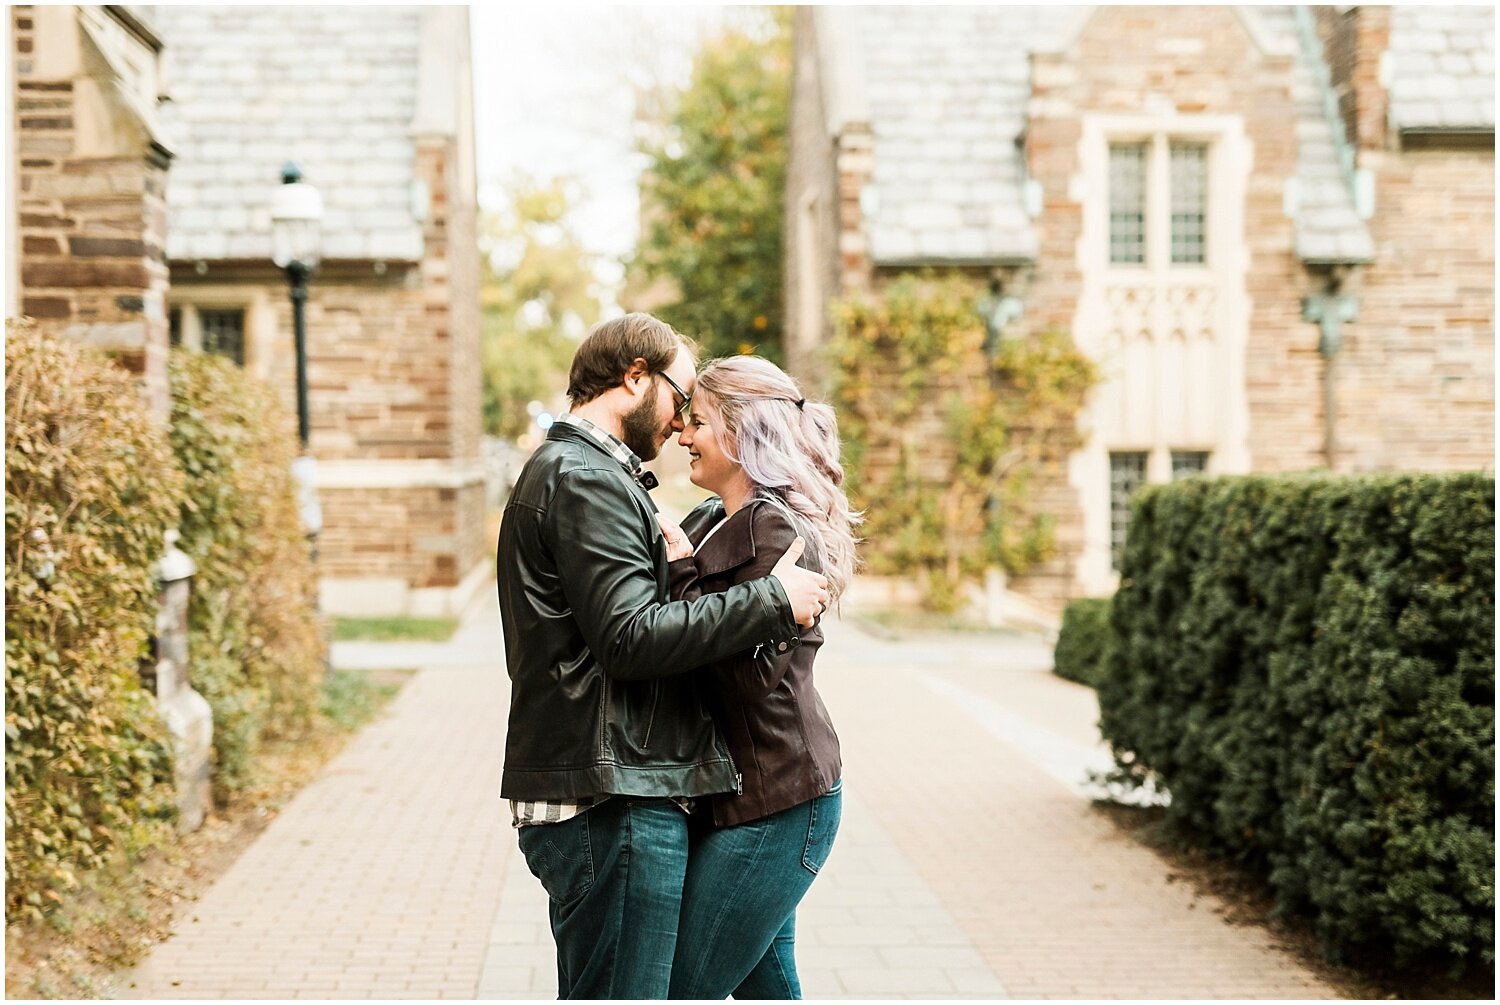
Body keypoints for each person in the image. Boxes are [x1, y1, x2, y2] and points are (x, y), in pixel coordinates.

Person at [496, 314, 831, 1001]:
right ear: (635, 378)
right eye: (680, 398)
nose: (679, 423)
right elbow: (632, 635)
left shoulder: (595, 475)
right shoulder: (584, 477)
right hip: (612, 791)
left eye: (695, 413)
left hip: (664, 789)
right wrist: (767, 600)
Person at [654, 355, 859, 1000]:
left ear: (740, 435)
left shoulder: (775, 529)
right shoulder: (711, 519)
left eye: (700, 421)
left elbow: (747, 677)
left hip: (781, 801)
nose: (685, 435)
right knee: (768, 988)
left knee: (685, 988)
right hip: (747, 798)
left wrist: (683, 572)